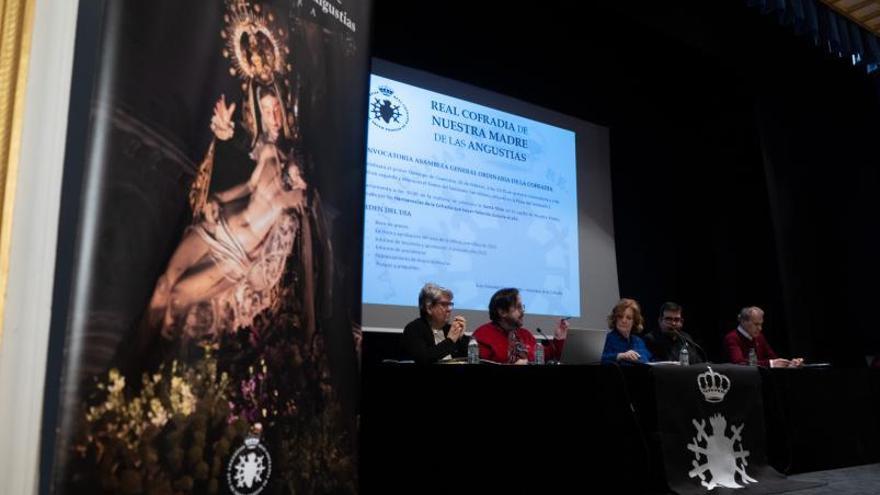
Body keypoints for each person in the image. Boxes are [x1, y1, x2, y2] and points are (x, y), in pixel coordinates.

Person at [472, 288, 568, 364]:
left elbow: (547, 356)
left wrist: (559, 338)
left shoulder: (525, 335)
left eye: (522, 307)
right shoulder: (482, 337)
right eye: (518, 307)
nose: (522, 311)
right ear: (502, 312)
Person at [401, 283, 469, 364]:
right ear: (429, 308)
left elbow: (471, 359)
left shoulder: (450, 329)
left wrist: (462, 339)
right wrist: (450, 341)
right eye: (444, 304)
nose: (449, 309)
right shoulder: (414, 329)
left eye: (450, 304)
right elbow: (424, 358)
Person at [723, 306, 804, 368]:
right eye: (756, 324)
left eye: (761, 324)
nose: (760, 328)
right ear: (743, 321)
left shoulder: (759, 337)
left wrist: (789, 364)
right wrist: (770, 363)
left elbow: (773, 358)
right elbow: (739, 363)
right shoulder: (732, 338)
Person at [600, 298, 652, 364]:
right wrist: (620, 356)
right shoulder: (606, 339)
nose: (624, 321)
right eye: (620, 316)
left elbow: (648, 358)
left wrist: (637, 358)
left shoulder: (638, 341)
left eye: (629, 318)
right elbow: (598, 360)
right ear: (615, 319)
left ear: (634, 322)